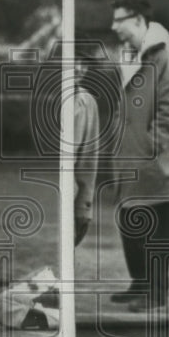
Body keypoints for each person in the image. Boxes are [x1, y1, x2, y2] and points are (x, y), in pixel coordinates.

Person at [108, 0, 169, 312]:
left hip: (160, 163)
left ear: (137, 20)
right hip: (132, 160)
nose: (113, 26)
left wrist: (148, 150)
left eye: (119, 20)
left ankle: (156, 292)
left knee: (156, 229)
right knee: (130, 222)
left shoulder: (166, 56)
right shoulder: (129, 54)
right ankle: (140, 284)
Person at [72, 42, 100, 247]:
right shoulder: (42, 98)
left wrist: (84, 208)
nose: (79, 68)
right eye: (73, 61)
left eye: (84, 63)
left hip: (67, 203)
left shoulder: (87, 102)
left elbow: (87, 161)